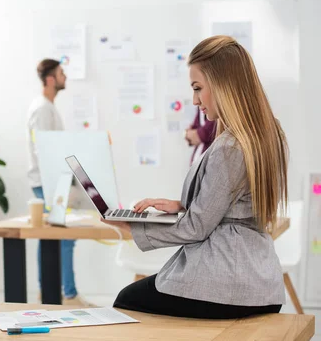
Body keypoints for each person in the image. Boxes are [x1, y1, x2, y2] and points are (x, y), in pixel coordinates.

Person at [104, 35, 288, 319]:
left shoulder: (230, 146)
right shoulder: (269, 134)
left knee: (127, 299)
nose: (195, 100)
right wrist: (182, 205)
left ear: (224, 84)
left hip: (227, 281)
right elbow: (238, 203)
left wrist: (133, 228)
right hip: (264, 281)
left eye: (198, 88)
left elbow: (195, 230)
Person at [27, 59, 88, 306]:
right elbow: (44, 149)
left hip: (53, 180)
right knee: (59, 237)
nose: (66, 77)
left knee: (55, 238)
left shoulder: (48, 107)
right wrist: (58, 184)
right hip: (48, 181)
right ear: (50, 79)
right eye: (62, 73)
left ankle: (55, 293)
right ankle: (65, 294)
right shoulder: (42, 109)